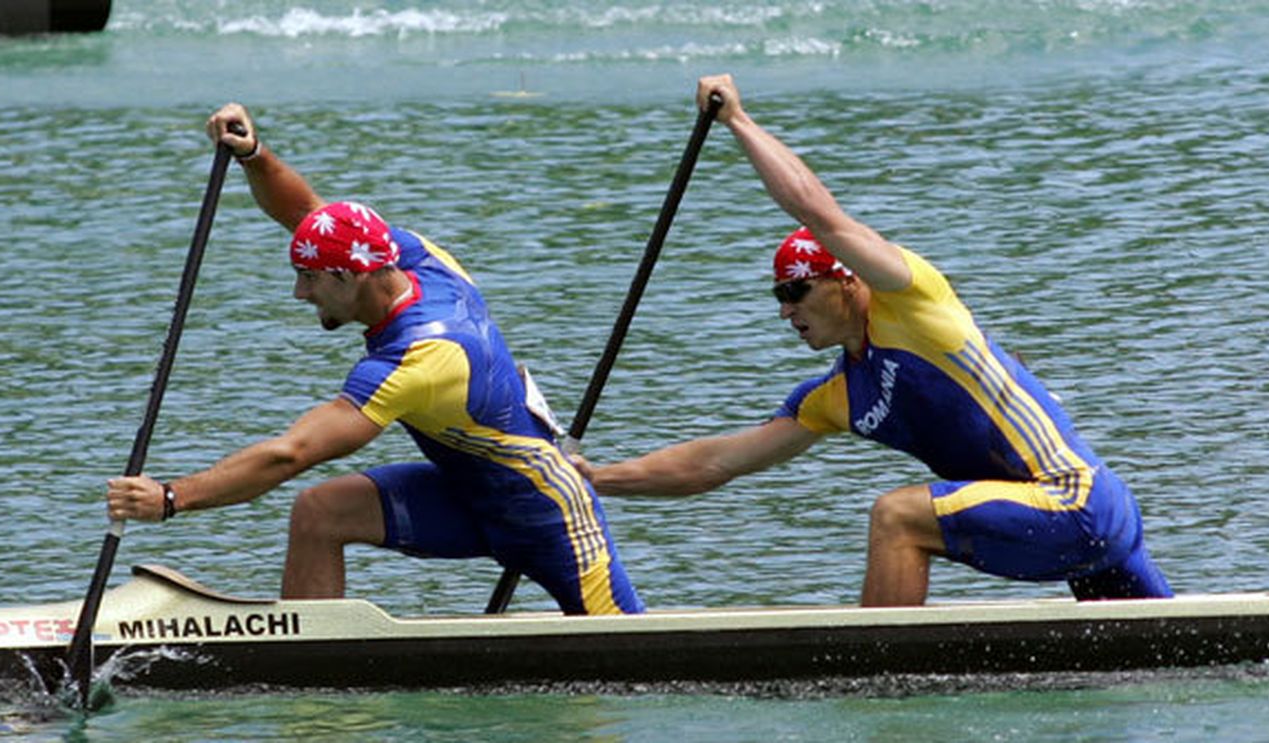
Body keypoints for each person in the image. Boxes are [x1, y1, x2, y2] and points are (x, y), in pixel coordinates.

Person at [577, 74, 1173, 607]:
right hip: (1074, 534)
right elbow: (712, 464)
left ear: (846, 280)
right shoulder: (835, 396)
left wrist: (737, 120)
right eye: (777, 298)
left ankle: (877, 684)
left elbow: (821, 214)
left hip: (1078, 502)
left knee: (896, 515)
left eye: (796, 292)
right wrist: (595, 478)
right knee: (1180, 651)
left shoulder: (913, 303)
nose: (786, 311)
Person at [104, 103, 644, 615]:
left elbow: (290, 454)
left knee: (634, 656)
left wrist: (172, 498)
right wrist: (253, 155)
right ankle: (310, 671)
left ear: (350, 276)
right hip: (463, 494)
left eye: (309, 278)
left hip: (546, 511)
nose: (299, 293)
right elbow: (313, 216)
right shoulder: (416, 257)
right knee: (320, 513)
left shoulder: (418, 360)